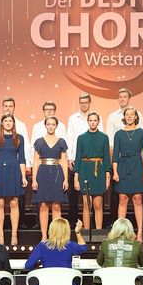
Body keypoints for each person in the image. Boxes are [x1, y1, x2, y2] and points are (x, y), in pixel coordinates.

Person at [112, 107, 143, 242]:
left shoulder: (142, 133)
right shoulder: (118, 134)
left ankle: (139, 232)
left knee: (137, 198)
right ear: (124, 117)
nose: (129, 116)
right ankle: (120, 233)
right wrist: (115, 172)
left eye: (132, 114)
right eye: (127, 114)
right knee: (122, 198)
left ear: (135, 117)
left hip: (137, 165)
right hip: (122, 166)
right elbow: (115, 154)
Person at [0, 114, 27, 245]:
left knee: (14, 203)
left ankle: (14, 235)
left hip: (14, 171)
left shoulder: (19, 138)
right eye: (6, 121)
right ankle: (1, 235)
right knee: (0, 203)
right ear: (2, 123)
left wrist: (23, 176)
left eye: (10, 121)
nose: (8, 123)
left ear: (13, 123)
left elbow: (22, 159)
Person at [32, 117, 69, 241]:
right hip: (42, 174)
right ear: (45, 125)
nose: (51, 126)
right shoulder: (39, 142)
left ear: (56, 126)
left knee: (56, 206)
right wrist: (34, 180)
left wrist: (66, 179)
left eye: (53, 124)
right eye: (49, 124)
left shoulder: (61, 142)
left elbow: (64, 161)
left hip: (57, 174)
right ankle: (44, 236)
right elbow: (35, 161)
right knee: (43, 205)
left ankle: (56, 236)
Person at [74, 112, 111, 230]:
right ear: (88, 121)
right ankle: (86, 233)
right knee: (86, 204)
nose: (93, 123)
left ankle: (98, 232)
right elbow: (77, 158)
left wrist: (107, 176)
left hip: (99, 171)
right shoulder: (81, 138)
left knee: (98, 204)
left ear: (98, 122)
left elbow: (106, 158)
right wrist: (76, 178)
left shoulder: (104, 138)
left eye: (95, 120)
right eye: (91, 120)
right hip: (85, 170)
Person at [67, 93, 100, 225]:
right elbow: (70, 137)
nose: (83, 104)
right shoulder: (73, 118)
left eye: (86, 102)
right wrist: (70, 157)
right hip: (77, 159)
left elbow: (100, 137)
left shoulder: (96, 117)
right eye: (81, 102)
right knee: (75, 192)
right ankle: (76, 222)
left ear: (90, 103)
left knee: (95, 196)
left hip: (93, 161)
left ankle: (95, 225)